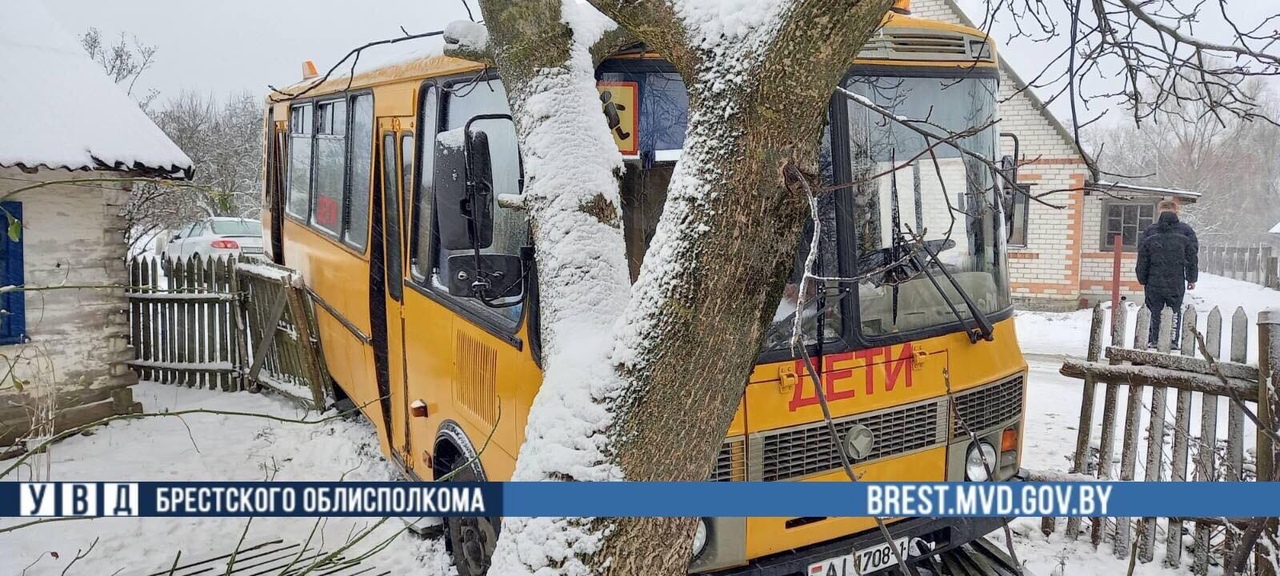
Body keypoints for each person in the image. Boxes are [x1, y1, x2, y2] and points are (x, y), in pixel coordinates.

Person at [1136, 209, 1198, 348]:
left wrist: (1142, 279)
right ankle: (1173, 339)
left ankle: (1154, 339)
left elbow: (1142, 260)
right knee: (1174, 309)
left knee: (1154, 310)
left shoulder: (1150, 239)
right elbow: (1192, 259)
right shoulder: (1184, 240)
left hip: (1154, 281)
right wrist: (1191, 279)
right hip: (1176, 281)